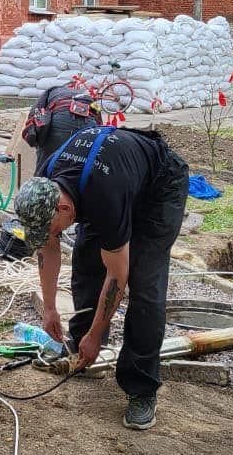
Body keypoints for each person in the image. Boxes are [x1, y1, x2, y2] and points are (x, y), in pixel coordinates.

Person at [14, 125, 189, 431]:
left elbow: (117, 276)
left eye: (53, 227)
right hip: (109, 181)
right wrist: (51, 308)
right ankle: (83, 353)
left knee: (145, 283)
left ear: (65, 208)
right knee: (85, 262)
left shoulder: (105, 196)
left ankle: (141, 388)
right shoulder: (47, 180)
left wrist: (98, 332)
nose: (51, 234)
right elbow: (48, 247)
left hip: (159, 186)